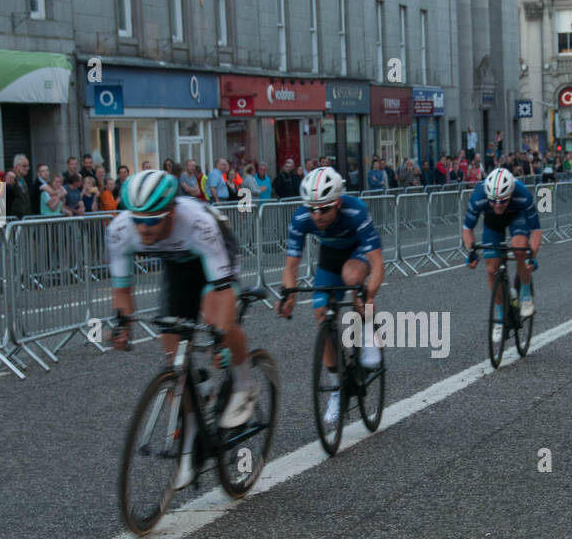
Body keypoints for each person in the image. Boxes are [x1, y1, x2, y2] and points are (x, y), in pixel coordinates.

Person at [107, 169, 255, 488]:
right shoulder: (121, 228)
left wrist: (219, 339)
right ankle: (189, 444)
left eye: (152, 220)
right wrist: (122, 324)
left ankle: (245, 383)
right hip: (176, 265)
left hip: (214, 256)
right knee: (174, 360)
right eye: (137, 219)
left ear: (172, 211)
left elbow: (223, 289)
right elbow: (122, 289)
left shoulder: (197, 223)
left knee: (218, 323)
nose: (143, 228)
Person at [276, 167, 384, 427]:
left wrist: (368, 296)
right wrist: (288, 295)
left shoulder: (355, 210)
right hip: (330, 256)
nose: (317, 216)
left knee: (351, 277)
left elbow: (378, 263)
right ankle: (337, 387)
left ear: (337, 202)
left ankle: (368, 329)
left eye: (323, 209)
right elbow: (291, 266)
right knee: (320, 315)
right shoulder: (302, 217)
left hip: (357, 252)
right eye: (312, 209)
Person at [462, 167, 542, 343]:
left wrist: (532, 256)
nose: (498, 205)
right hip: (493, 222)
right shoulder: (478, 196)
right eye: (493, 201)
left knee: (519, 247)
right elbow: (467, 228)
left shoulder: (522, 195)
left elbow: (536, 230)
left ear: (511, 194)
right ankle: (499, 315)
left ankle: (526, 293)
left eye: (503, 201)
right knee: (491, 268)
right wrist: (471, 251)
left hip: (517, 216)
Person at [7, 153, 33, 219]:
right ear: (16, 166)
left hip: (24, 219)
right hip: (13, 219)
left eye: (28, 166)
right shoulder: (10, 178)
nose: (27, 168)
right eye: (24, 166)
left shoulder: (23, 180)